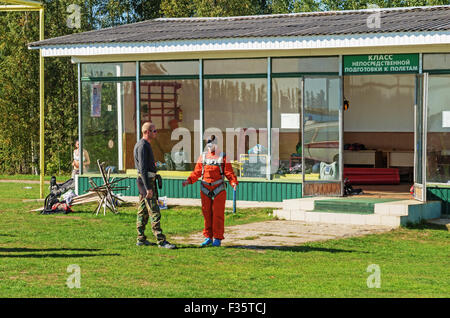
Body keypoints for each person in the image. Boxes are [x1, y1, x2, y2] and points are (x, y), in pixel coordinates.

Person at [182, 135, 238, 247]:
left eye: (212, 144)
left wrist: (233, 182)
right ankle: (208, 237)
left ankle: (217, 238)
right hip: (205, 188)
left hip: (219, 189)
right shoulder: (203, 157)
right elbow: (197, 172)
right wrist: (189, 180)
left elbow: (229, 172)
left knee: (218, 214)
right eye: (208, 144)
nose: (210, 146)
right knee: (206, 213)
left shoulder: (223, 156)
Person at [134, 122, 176, 249]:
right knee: (154, 212)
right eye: (154, 131)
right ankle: (161, 240)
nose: (156, 133)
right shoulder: (142, 145)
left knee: (142, 211)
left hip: (147, 181)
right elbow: (142, 169)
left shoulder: (146, 145)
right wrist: (148, 188)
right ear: (147, 132)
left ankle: (140, 238)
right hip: (146, 182)